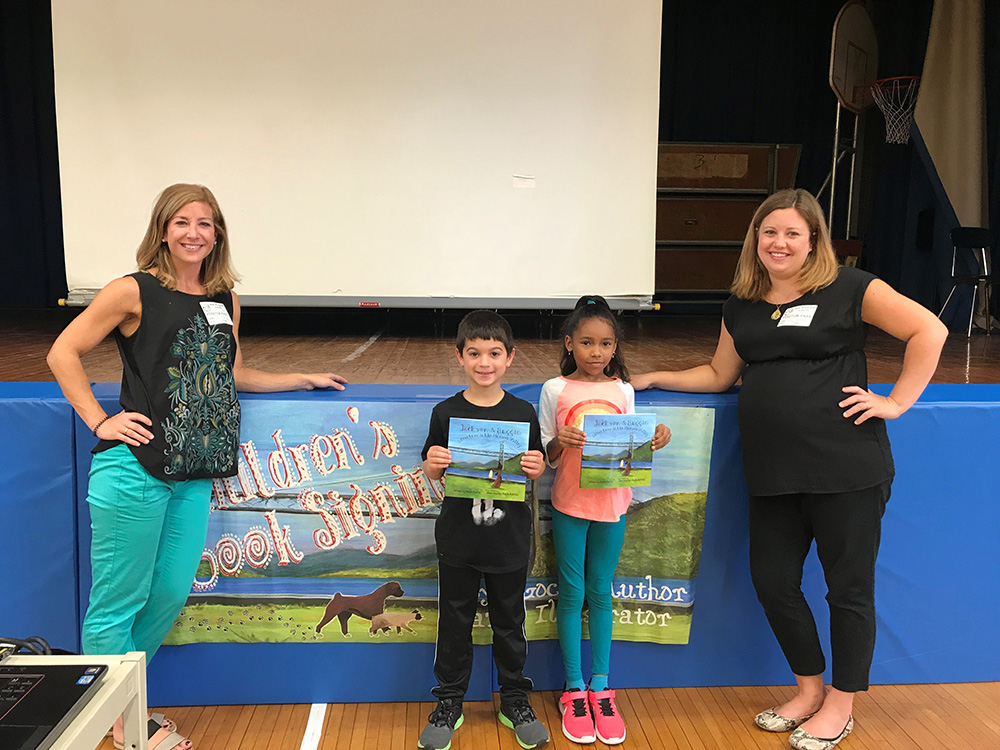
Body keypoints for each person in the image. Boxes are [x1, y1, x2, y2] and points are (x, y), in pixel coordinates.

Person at [631, 189, 947, 750]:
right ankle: (808, 689)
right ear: (755, 238)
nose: (779, 242)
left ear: (813, 241)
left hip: (847, 467)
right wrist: (657, 377)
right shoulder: (742, 303)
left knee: (848, 591)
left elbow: (931, 331)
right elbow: (718, 373)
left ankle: (841, 704)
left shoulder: (851, 288)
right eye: (769, 231)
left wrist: (896, 402)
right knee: (773, 582)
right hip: (773, 471)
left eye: (792, 233)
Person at [46, 184, 347, 750]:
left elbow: (232, 373)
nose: (193, 233)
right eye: (182, 221)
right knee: (118, 600)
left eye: (205, 224)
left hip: (194, 474)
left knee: (167, 594)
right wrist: (97, 419)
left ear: (217, 234)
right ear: (163, 229)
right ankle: (118, 723)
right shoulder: (131, 290)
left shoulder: (224, 297)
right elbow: (63, 351)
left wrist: (302, 378)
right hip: (134, 469)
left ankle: (122, 710)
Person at [539, 296, 671, 746]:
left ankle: (601, 685)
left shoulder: (623, 391)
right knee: (572, 592)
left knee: (601, 591)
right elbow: (545, 457)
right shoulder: (554, 390)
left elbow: (629, 451)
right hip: (570, 504)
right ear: (569, 343)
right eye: (588, 343)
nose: (597, 352)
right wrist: (561, 440)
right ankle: (573, 688)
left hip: (613, 505)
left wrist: (655, 440)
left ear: (615, 348)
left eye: (606, 344)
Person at [418, 310, 550, 750]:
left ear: (510, 357)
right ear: (459, 357)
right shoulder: (446, 412)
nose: (484, 362)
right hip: (458, 541)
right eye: (474, 353)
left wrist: (537, 465)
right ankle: (449, 702)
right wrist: (432, 465)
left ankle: (514, 699)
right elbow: (431, 468)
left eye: (494, 353)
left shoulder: (522, 412)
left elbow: (535, 465)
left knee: (509, 624)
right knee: (454, 624)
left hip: (509, 543)